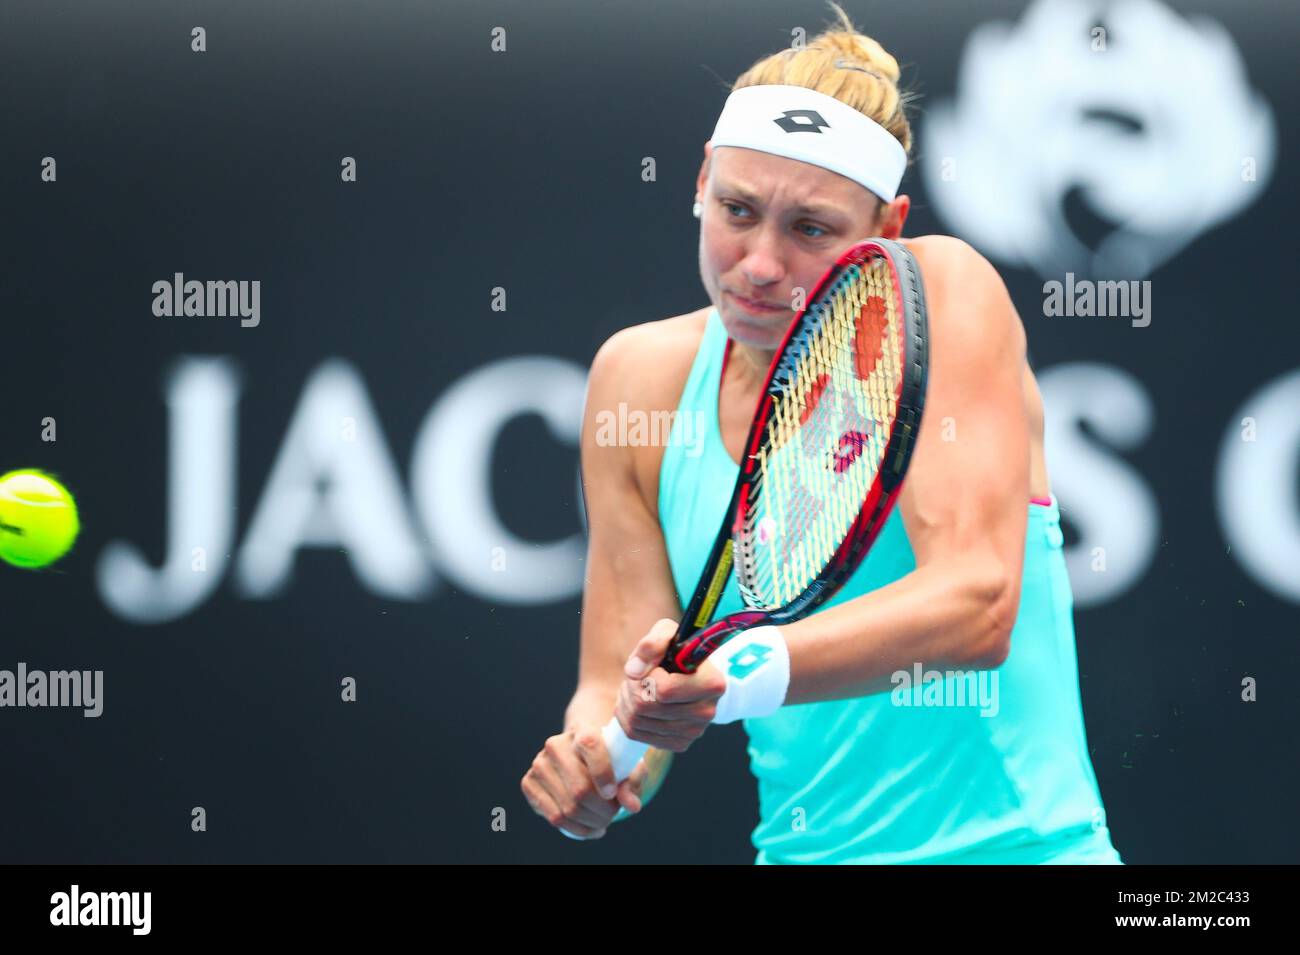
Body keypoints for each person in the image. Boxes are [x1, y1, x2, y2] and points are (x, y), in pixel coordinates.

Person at [520, 2, 1122, 864]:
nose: (760, 264)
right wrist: (598, 758)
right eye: (736, 209)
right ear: (698, 182)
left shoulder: (945, 289)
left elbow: (976, 605)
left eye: (810, 229)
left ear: (886, 228)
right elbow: (619, 679)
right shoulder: (637, 376)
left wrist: (733, 676)